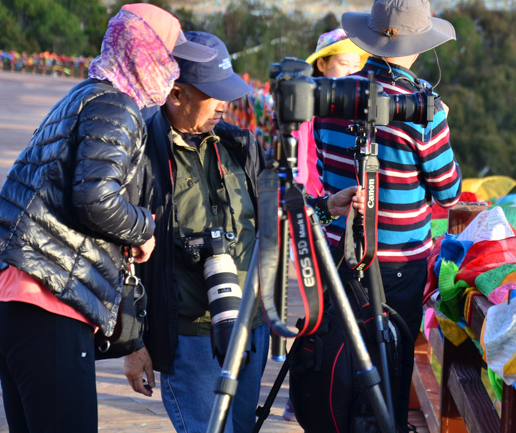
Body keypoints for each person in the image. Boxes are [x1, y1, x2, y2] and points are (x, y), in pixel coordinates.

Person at [0, 4, 217, 432]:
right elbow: (94, 198)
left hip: (12, 303)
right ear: (145, 53)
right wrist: (143, 227)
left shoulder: (82, 95)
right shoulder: (117, 106)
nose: (172, 69)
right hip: (50, 306)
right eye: (169, 56)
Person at [123, 31, 362, 433]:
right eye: (214, 94)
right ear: (176, 94)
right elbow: (118, 254)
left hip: (252, 324)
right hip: (188, 333)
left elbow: (277, 206)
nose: (224, 104)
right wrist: (133, 344)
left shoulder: (239, 144)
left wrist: (326, 206)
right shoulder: (142, 153)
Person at [315, 0, 463, 430]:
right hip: (399, 262)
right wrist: (441, 125)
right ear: (420, 45)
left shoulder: (330, 95)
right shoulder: (421, 108)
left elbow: (325, 168)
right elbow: (448, 192)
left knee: (340, 359)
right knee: (391, 362)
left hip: (338, 251)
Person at [294, 28, 369, 199]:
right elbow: (298, 169)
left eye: (356, 66)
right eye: (344, 64)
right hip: (317, 204)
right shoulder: (306, 107)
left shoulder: (360, 108)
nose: (352, 73)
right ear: (321, 64)